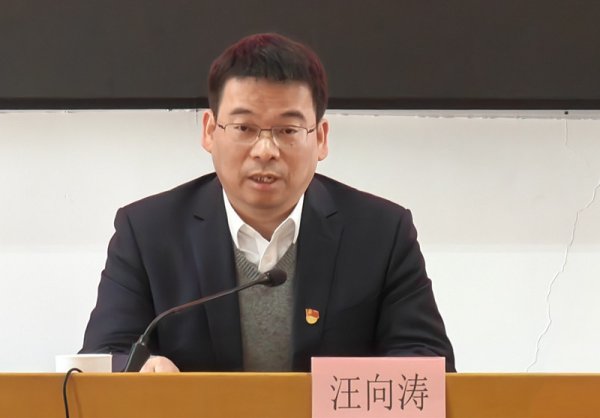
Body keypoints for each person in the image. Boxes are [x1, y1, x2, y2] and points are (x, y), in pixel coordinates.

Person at [81, 32, 455, 373]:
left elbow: (427, 362)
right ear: (209, 131)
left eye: (287, 130)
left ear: (320, 138)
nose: (265, 150)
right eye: (244, 128)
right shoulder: (148, 232)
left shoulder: (381, 233)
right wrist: (142, 369)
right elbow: (102, 357)